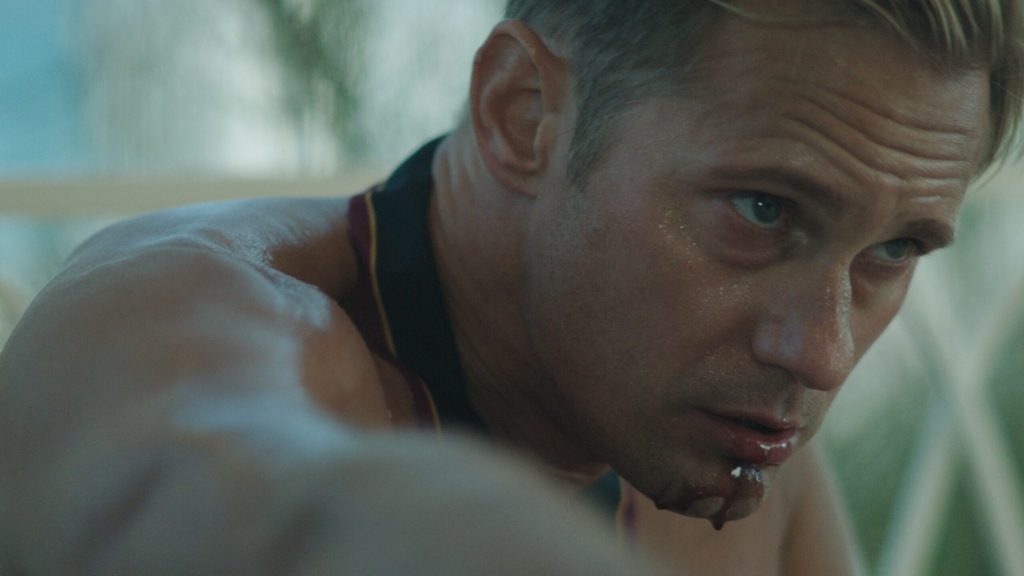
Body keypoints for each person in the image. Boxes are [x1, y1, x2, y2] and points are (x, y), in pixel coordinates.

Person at [1, 0, 1021, 574]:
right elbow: (252, 506)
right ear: (521, 111)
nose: (821, 352)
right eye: (761, 210)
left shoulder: (737, 448)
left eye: (895, 251)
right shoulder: (173, 317)